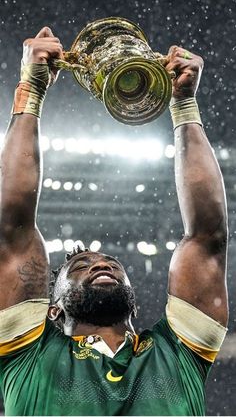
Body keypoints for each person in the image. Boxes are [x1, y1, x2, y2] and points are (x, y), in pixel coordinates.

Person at [0, 26, 228, 416]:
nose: (102, 263)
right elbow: (12, 227)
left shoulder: (179, 353)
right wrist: (30, 91)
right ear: (50, 309)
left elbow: (208, 237)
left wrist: (184, 106)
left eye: (110, 264)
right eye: (81, 266)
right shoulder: (25, 356)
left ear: (135, 301)